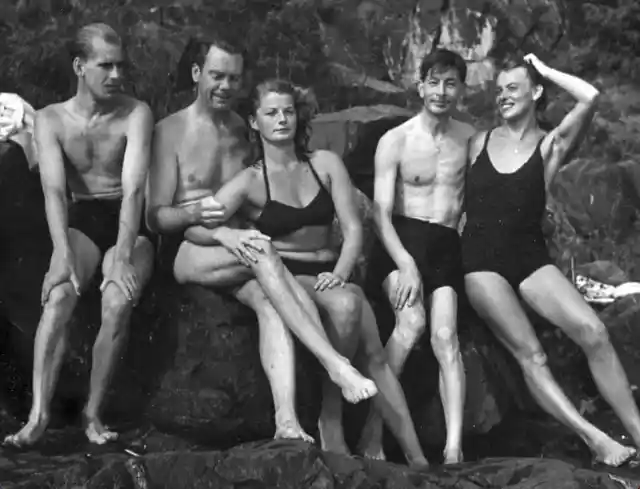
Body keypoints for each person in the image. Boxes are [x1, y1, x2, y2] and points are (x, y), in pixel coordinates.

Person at [147, 35, 378, 446]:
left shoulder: (242, 129)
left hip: (240, 251)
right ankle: (334, 363)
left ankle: (286, 422)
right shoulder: (170, 131)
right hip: (191, 247)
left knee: (269, 300)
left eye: (234, 78)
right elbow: (157, 216)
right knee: (262, 249)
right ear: (197, 74)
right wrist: (220, 230)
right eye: (217, 75)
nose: (225, 86)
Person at [187, 78, 429, 467]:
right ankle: (330, 417)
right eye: (271, 113)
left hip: (330, 269)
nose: (282, 120)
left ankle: (419, 461)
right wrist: (227, 233)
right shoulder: (251, 179)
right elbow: (196, 223)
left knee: (374, 352)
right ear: (254, 121)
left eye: (288, 111)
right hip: (288, 272)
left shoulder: (325, 164)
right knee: (349, 308)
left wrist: (341, 270)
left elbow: (353, 229)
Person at [462, 53, 640, 467]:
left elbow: (590, 97)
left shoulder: (550, 145)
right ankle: (595, 438)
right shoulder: (479, 142)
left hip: (528, 256)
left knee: (594, 332)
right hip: (480, 260)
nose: (502, 96)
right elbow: (455, 206)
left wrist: (543, 68)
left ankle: (636, 430)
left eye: (513, 88)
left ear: (536, 92)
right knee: (532, 354)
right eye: (500, 89)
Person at [3, 23, 155, 447]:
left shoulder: (135, 113)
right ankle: (37, 416)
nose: (116, 75)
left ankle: (93, 412)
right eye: (105, 66)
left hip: (128, 221)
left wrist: (123, 254)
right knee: (58, 295)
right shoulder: (51, 118)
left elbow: (135, 189)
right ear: (79, 67)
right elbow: (53, 190)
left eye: (120, 66)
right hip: (82, 220)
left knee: (117, 299)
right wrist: (62, 254)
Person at [359, 49, 474, 465]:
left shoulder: (468, 139)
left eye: (451, 83)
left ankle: (453, 448)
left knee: (446, 338)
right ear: (420, 85)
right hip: (401, 241)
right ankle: (372, 433)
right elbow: (379, 213)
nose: (441, 91)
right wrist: (405, 263)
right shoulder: (397, 139)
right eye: (434, 82)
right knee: (411, 324)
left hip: (445, 245)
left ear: (460, 89)